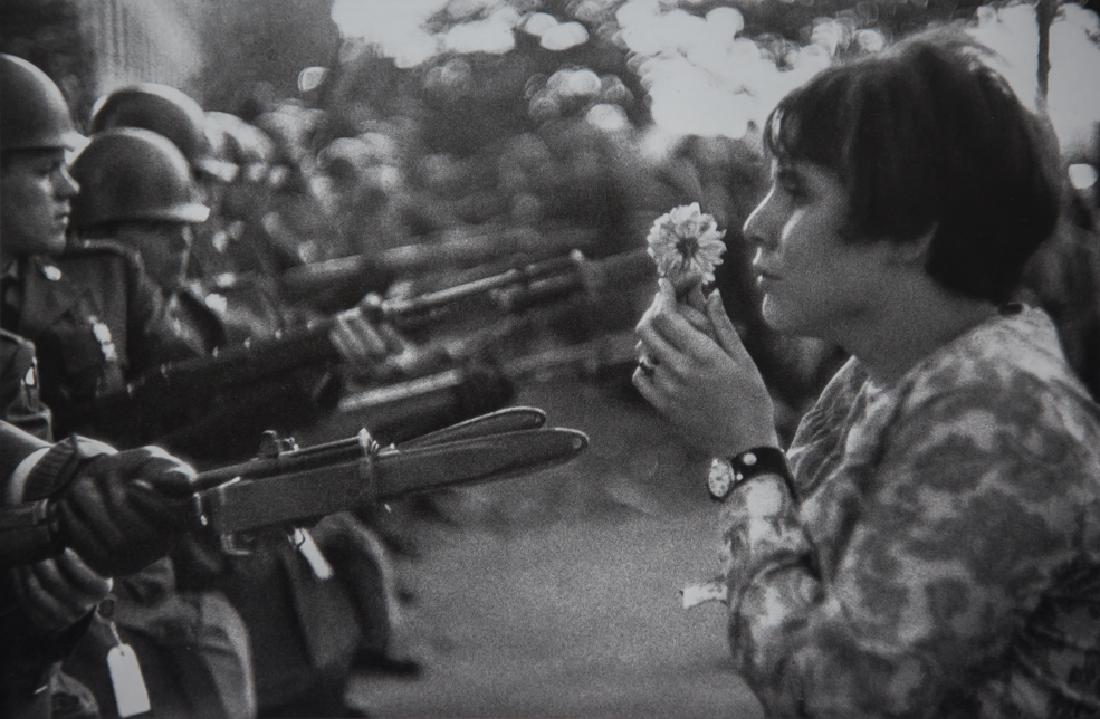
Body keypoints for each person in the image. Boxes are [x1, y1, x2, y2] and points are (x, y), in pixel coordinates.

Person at [633, 30, 1100, 717]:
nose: (757, 222)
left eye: (797, 190)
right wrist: (738, 425)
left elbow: (836, 695)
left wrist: (744, 455)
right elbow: (800, 578)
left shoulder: (1000, 409)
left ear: (912, 228)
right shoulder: (880, 376)